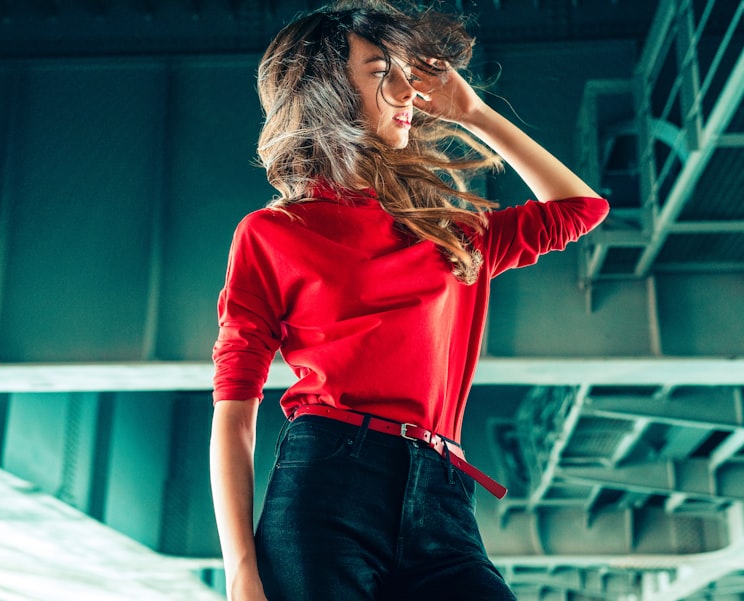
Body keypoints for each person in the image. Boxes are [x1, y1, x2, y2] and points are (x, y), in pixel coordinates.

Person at [209, 1, 609, 599]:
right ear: (328, 94)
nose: (405, 90)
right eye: (378, 72)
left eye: (401, 70)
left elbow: (580, 209)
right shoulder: (273, 233)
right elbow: (235, 410)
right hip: (327, 488)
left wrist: (472, 112)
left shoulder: (448, 229)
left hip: (443, 492)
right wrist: (241, 569)